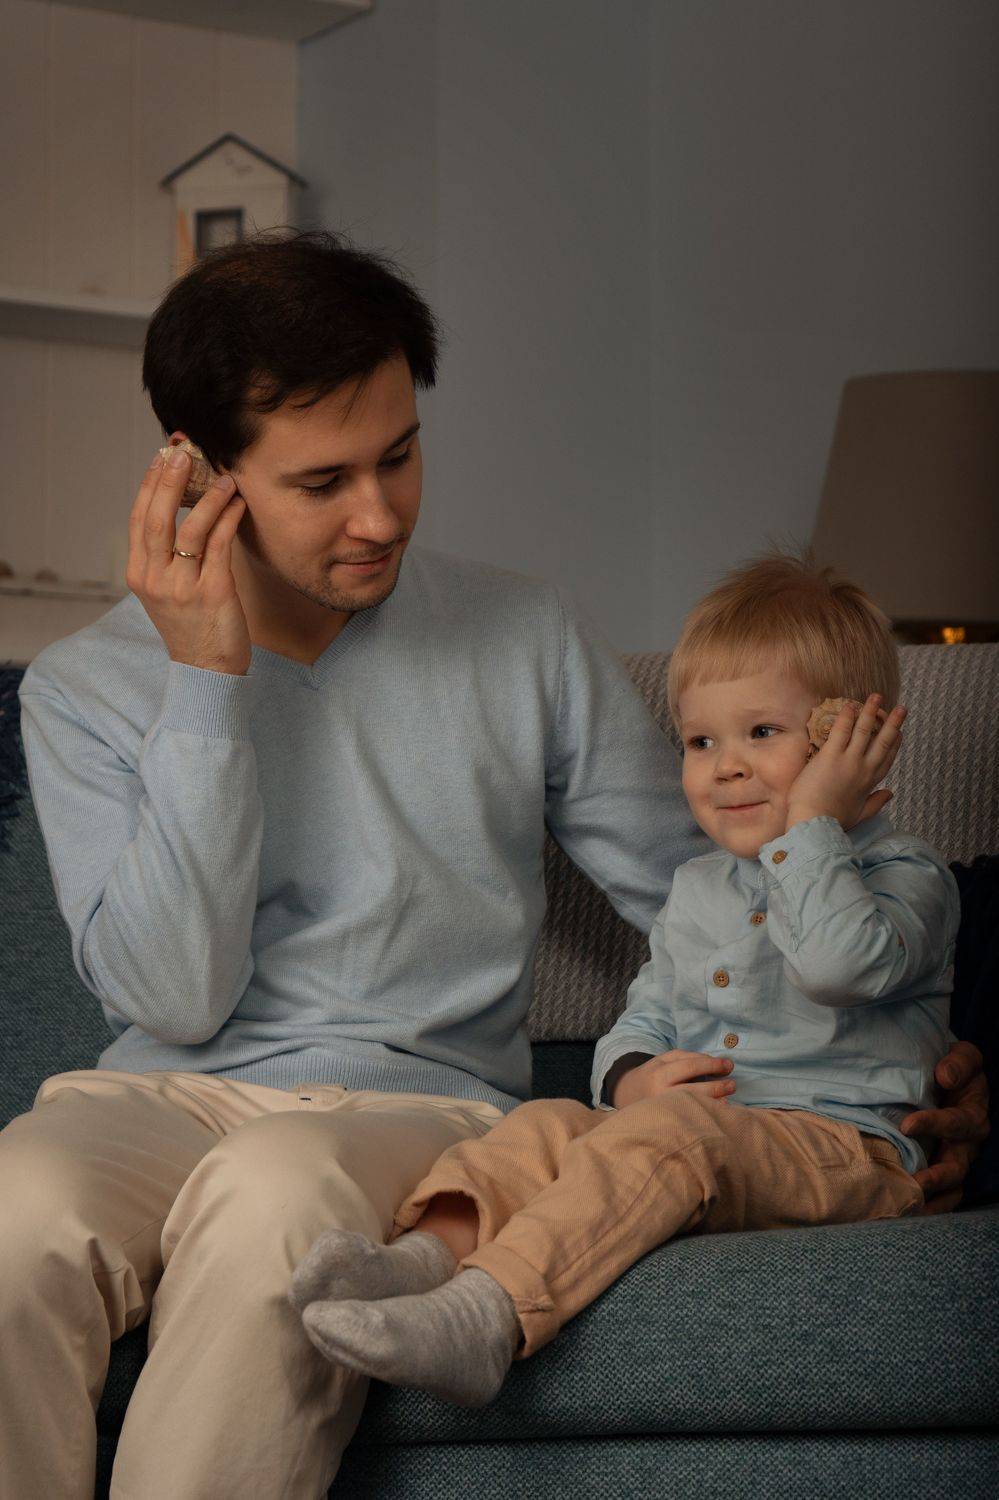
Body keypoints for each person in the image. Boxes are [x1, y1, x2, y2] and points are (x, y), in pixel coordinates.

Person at [0, 230, 983, 1500]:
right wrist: (203, 682)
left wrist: (903, 1063)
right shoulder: (86, 689)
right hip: (156, 1097)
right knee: (16, 1209)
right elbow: (174, 999)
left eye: (399, 457)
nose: (379, 517)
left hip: (414, 1108)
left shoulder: (521, 633)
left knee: (272, 1198)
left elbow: (716, 890)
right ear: (197, 471)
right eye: (323, 481)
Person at [291, 554, 977, 1408]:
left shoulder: (908, 876)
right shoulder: (697, 887)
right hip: (713, 1133)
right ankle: (422, 1260)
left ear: (852, 740)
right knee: (545, 1123)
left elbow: (837, 965)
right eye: (700, 742)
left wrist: (810, 824)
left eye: (761, 732)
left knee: (678, 1135)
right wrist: (630, 1079)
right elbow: (642, 1018)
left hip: (849, 1152)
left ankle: (488, 1311)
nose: (723, 767)